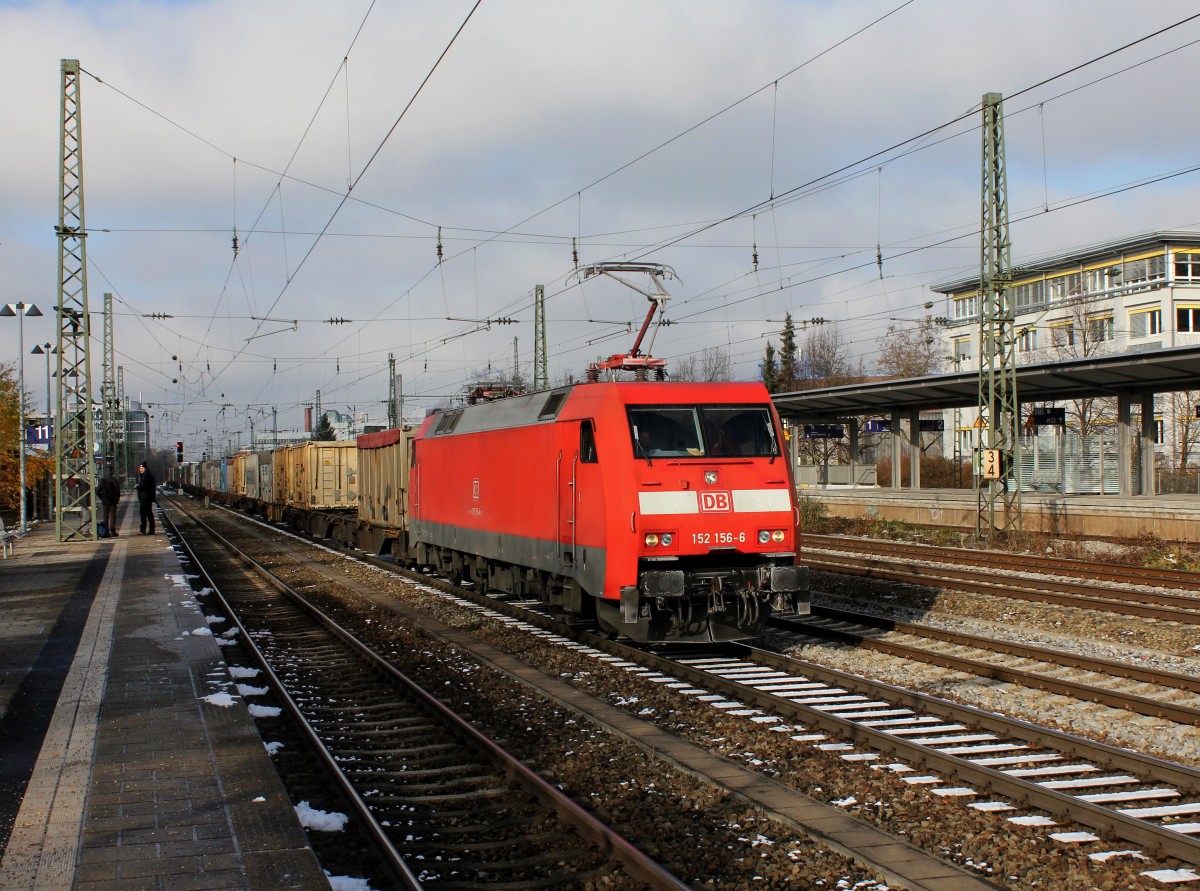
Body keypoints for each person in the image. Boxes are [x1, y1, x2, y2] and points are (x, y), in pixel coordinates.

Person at [97, 469, 121, 537]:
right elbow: (117, 491)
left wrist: (102, 498)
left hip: (105, 501)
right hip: (113, 501)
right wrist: (117, 499)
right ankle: (113, 531)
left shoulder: (102, 480)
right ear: (112, 472)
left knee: (105, 516)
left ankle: (106, 532)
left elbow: (97, 491)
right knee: (112, 516)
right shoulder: (114, 480)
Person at [135, 462, 157, 535]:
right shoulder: (147, 475)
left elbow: (143, 486)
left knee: (144, 514)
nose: (140, 470)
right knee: (148, 513)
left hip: (145, 498)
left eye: (142, 468)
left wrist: (137, 487)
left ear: (145, 468)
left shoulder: (145, 476)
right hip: (147, 497)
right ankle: (150, 529)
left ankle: (144, 529)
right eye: (140, 468)